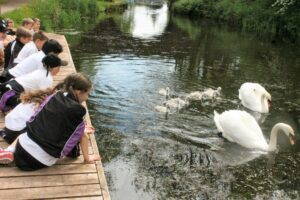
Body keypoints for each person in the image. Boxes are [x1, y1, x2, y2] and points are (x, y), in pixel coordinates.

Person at [0, 73, 100, 170]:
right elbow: (82, 136)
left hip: (21, 146)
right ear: (79, 91)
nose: (87, 97)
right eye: (88, 94)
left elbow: (35, 116)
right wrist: (87, 159)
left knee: (24, 134)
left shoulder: (55, 95)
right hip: (39, 160)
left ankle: (9, 151)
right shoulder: (79, 111)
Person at [0, 53, 67, 112]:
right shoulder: (47, 78)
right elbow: (46, 97)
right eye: (58, 67)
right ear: (51, 68)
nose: (59, 69)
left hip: (7, 89)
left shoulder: (39, 71)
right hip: (11, 95)